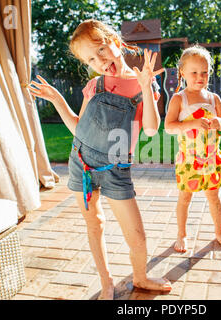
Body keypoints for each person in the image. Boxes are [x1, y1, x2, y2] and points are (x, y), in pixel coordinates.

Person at [28, 19, 171, 299]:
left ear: (116, 42)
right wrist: (57, 99)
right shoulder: (95, 85)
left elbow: (152, 130)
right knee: (95, 223)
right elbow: (79, 127)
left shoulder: (144, 84)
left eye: (102, 50)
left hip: (116, 167)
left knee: (137, 236)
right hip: (82, 162)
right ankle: (106, 282)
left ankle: (140, 277)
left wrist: (145, 88)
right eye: (91, 59)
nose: (100, 61)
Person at [164, 45, 221, 253]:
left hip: (212, 159)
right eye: (194, 72)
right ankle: (181, 234)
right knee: (185, 198)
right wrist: (191, 124)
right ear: (182, 73)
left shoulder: (214, 99)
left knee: (214, 198)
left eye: (204, 72)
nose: (199, 77)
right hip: (188, 161)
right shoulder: (179, 99)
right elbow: (169, 127)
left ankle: (219, 232)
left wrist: (218, 123)